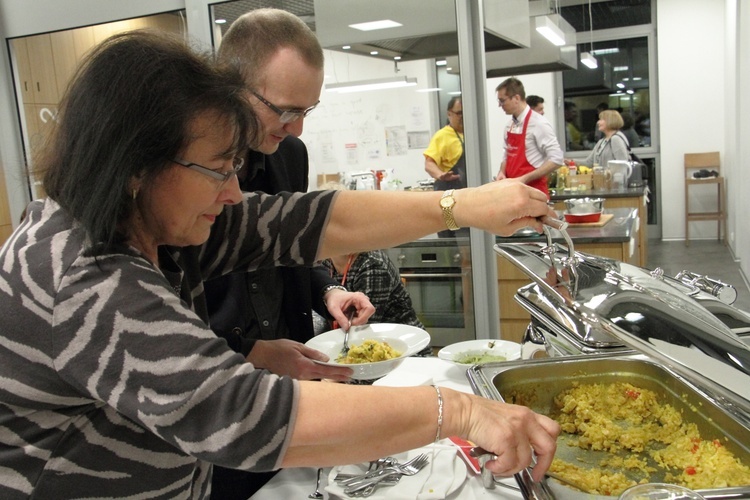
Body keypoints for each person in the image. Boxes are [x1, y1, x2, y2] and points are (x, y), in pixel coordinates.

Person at [0, 31, 560, 498]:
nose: (235, 194)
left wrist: (460, 206)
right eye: (220, 169)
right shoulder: (84, 275)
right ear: (137, 166)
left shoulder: (150, 224)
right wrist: (459, 413)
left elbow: (300, 223)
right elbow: (250, 414)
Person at [208, 9, 376, 497]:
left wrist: (327, 290)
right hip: (224, 399)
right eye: (285, 111)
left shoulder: (290, 154)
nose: (298, 128)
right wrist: (252, 353)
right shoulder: (187, 169)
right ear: (230, 87)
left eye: (308, 110)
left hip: (298, 379)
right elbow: (175, 307)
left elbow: (294, 245)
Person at [495, 77, 564, 198]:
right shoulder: (509, 126)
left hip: (534, 194)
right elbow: (506, 154)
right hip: (513, 193)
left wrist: (524, 179)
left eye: (502, 100)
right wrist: (502, 172)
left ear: (516, 98)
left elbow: (557, 159)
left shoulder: (538, 123)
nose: (499, 105)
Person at [321, 251, 424, 329]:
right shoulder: (325, 261)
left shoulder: (372, 264)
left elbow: (363, 325)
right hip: (366, 341)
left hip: (400, 345)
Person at [423, 96, 468, 237]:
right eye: (459, 113)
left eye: (465, 112)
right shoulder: (442, 136)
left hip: (468, 198)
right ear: (449, 113)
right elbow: (429, 163)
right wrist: (440, 175)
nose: (462, 116)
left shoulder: (472, 134)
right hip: (448, 198)